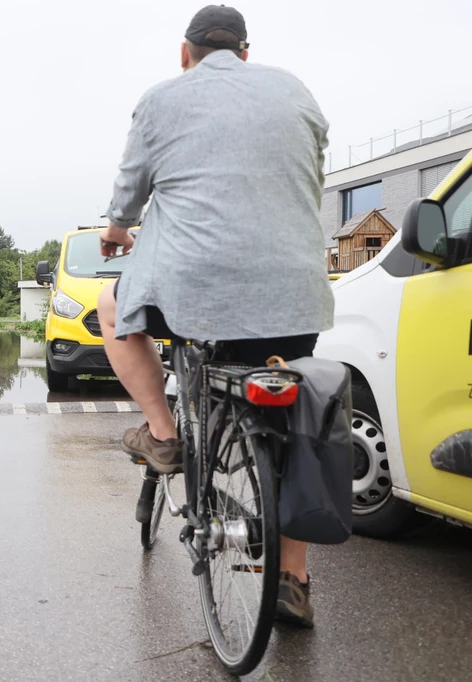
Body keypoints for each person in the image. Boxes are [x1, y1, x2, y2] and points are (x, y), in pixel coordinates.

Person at [96, 5, 334, 629]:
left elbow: (130, 189)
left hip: (197, 294)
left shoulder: (161, 99)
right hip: (295, 292)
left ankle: (166, 437)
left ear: (185, 53)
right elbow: (311, 171)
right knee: (292, 423)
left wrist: (118, 229)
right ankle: (294, 581)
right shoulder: (295, 91)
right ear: (246, 53)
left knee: (111, 306)